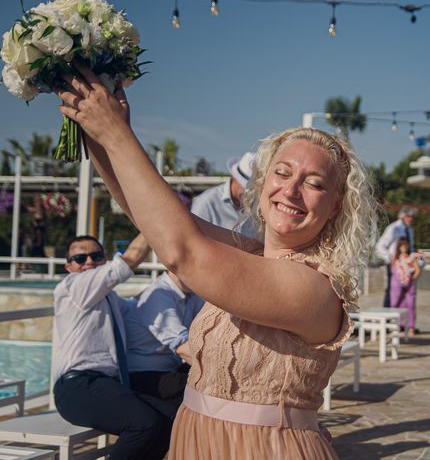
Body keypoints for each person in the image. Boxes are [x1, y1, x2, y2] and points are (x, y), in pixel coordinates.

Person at [56, 65, 378, 459]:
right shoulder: (251, 252)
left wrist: (117, 134)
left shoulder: (314, 286)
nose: (291, 190)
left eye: (314, 184)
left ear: (335, 208)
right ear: (262, 185)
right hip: (196, 440)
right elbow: (153, 221)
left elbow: (182, 251)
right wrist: (99, 133)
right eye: (282, 172)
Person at [52, 233, 174, 460]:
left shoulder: (111, 300)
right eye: (80, 258)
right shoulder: (72, 287)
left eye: (96, 256)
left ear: (103, 260)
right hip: (77, 387)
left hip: (106, 385)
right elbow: (129, 260)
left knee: (172, 419)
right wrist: (153, 224)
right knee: (143, 423)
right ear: (70, 267)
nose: (88, 262)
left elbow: (140, 308)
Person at [122, 270, 205, 419]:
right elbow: (182, 347)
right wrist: (219, 372)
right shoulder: (158, 295)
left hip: (168, 369)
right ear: (172, 266)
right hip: (142, 376)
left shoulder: (191, 292)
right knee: (204, 390)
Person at [191, 151, 257, 238]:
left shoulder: (256, 204)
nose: (250, 194)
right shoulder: (205, 202)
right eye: (246, 188)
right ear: (235, 178)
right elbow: (194, 239)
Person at [375, 206, 417, 308]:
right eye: (408, 216)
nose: (410, 219)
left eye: (412, 217)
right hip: (395, 265)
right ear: (402, 217)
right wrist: (391, 259)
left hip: (407, 265)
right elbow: (380, 246)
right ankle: (388, 313)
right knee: (392, 290)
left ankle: (401, 317)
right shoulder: (393, 228)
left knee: (406, 291)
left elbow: (410, 248)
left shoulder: (410, 230)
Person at [390, 237, 421, 337]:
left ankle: (411, 327)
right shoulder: (395, 257)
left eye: (405, 246)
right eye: (402, 246)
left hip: (409, 284)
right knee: (397, 304)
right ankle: (398, 326)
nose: (404, 248)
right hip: (397, 283)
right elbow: (392, 269)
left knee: (410, 304)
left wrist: (411, 279)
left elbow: (417, 270)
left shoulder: (411, 257)